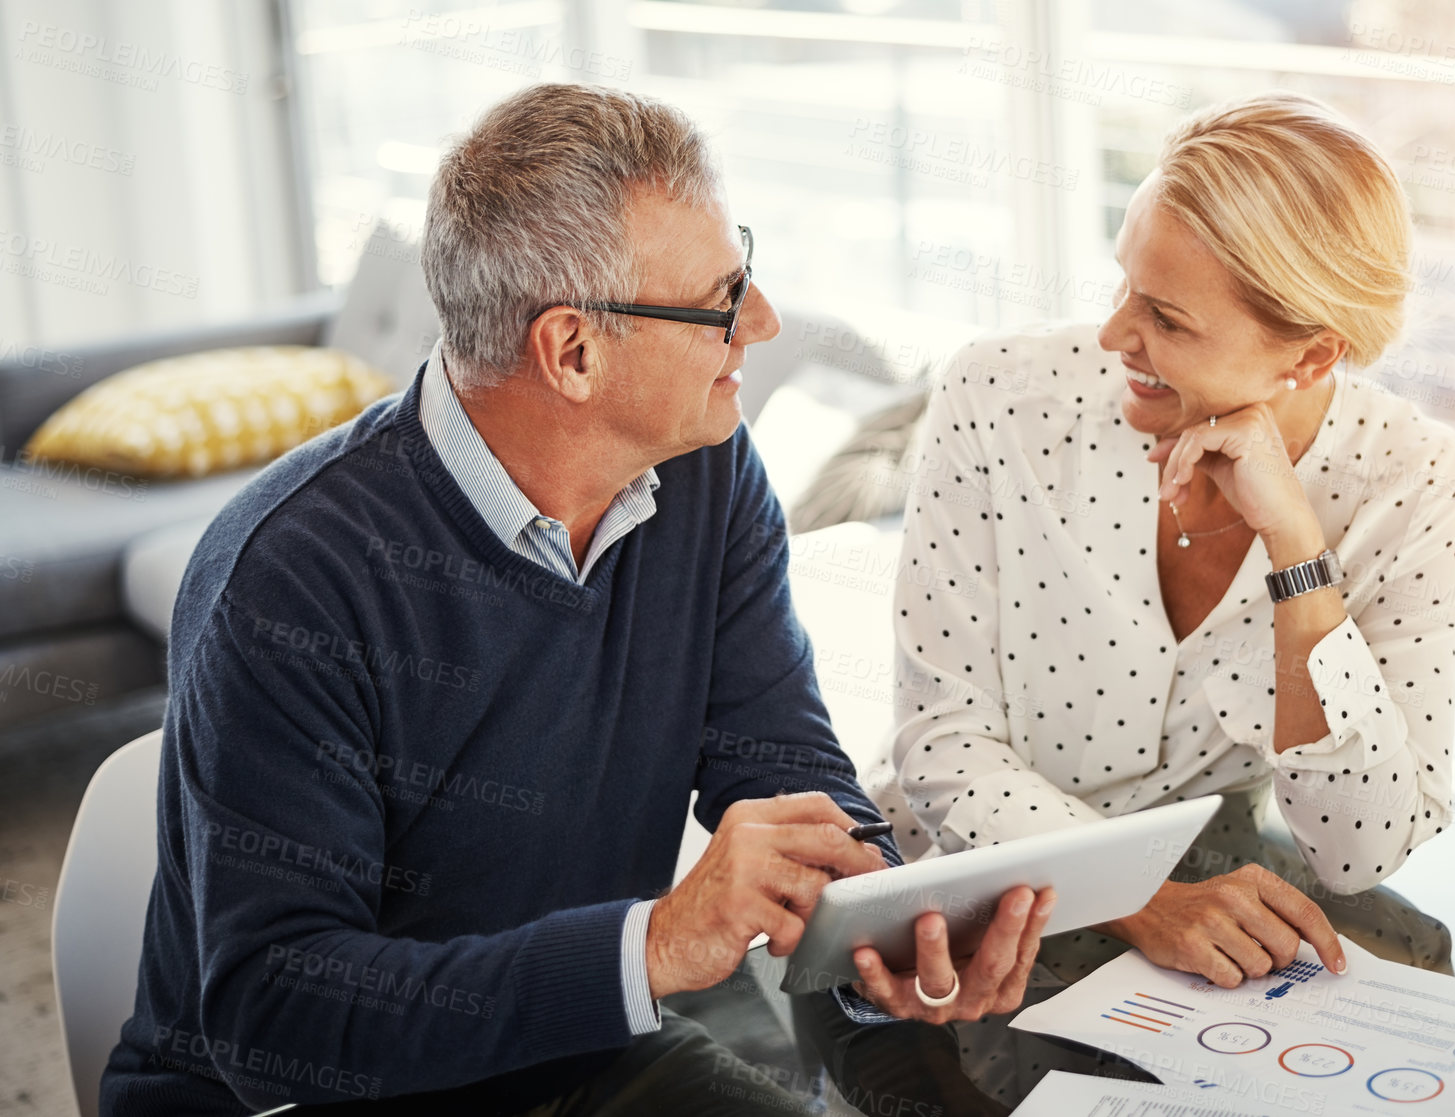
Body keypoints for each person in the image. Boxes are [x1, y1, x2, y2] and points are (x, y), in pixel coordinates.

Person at [99, 83, 1049, 1117]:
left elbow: (777, 762)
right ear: (573, 351)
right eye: (721, 300)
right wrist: (654, 943)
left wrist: (885, 915)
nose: (763, 324)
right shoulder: (290, 575)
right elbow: (271, 1017)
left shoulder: (705, 472)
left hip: (572, 1053)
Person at [879, 91, 1455, 988]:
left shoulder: (1421, 482)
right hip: (957, 905)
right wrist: (1144, 901)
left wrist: (1295, 550)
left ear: (1312, 357)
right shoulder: (998, 396)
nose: (1113, 332)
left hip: (1201, 923)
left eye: (1166, 319)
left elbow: (1358, 849)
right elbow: (940, 744)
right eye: (1124, 282)